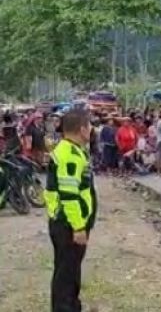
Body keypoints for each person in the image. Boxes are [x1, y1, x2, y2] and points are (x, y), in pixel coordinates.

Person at [44, 109, 97, 312]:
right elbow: (69, 196)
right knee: (66, 274)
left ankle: (72, 306)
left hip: (67, 223)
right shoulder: (70, 155)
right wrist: (78, 227)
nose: (91, 130)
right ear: (83, 129)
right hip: (68, 224)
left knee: (70, 270)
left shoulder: (72, 150)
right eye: (90, 126)